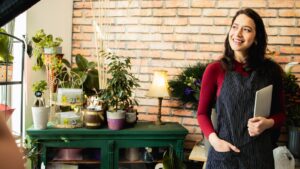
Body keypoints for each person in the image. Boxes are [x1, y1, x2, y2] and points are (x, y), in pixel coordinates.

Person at [197, 8, 286, 169]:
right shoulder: (215, 70)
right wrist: (214, 141)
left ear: (257, 38)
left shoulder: (271, 71)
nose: (238, 34)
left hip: (259, 158)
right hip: (223, 157)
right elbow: (202, 113)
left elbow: (281, 114)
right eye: (235, 27)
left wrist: (267, 123)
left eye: (246, 29)